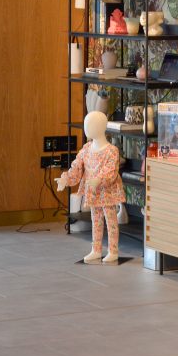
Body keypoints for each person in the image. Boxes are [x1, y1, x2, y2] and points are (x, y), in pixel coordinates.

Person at [57, 111, 125, 263]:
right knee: (96, 220)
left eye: (90, 124)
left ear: (101, 127)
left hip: (107, 192)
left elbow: (111, 172)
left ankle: (113, 251)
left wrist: (98, 180)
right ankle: (96, 249)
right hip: (93, 193)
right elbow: (76, 167)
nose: (86, 127)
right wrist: (66, 179)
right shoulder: (86, 149)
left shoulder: (111, 151)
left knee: (111, 221)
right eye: (86, 124)